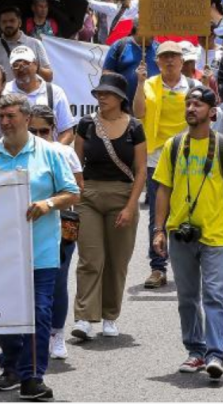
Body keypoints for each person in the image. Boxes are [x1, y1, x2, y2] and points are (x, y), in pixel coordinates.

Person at [0, 94, 80, 401]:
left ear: (27, 119)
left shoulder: (49, 153)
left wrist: (47, 204)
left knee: (39, 311)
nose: (5, 122)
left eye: (11, 117)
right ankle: (11, 367)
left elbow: (72, 193)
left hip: (41, 249)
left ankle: (33, 376)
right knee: (6, 312)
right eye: (1, 117)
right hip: (1, 249)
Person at [152, 86, 223, 380]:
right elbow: (163, 189)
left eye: (197, 104)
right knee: (186, 297)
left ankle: (216, 354)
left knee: (214, 295)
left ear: (211, 111)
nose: (191, 108)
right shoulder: (174, 146)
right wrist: (159, 229)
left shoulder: (222, 146)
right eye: (188, 103)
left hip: (215, 232)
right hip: (180, 233)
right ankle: (195, 351)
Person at [71, 73, 146, 341]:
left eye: (107, 93)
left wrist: (130, 207)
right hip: (89, 196)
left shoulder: (135, 127)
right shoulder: (86, 124)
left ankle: (110, 316)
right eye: (99, 93)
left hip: (123, 196)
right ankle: (83, 316)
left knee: (117, 262)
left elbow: (140, 171)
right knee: (91, 258)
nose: (101, 97)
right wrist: (77, 193)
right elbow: (75, 163)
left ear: (120, 98)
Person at [133, 41, 201, 289]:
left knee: (189, 213)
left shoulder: (194, 87)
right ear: (157, 61)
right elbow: (138, 111)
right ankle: (158, 268)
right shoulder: (148, 85)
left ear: (182, 62)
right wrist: (139, 84)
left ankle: (188, 267)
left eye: (174, 56)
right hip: (155, 160)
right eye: (164, 57)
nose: (170, 61)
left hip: (187, 159)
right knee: (157, 216)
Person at [27, 105, 84, 361]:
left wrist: (53, 203)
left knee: (58, 282)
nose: (39, 135)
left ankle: (57, 332)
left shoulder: (63, 153)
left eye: (44, 130)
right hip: (25, 225)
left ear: (53, 130)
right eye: (32, 130)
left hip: (61, 226)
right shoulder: (19, 152)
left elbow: (77, 190)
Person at [3, 46, 75, 145]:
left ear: (36, 65)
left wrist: (54, 154)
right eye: (16, 65)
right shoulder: (4, 93)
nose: (21, 68)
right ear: (11, 69)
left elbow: (67, 132)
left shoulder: (55, 92)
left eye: (26, 63)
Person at [0, 6, 53, 83]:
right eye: (4, 22)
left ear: (20, 23)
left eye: (12, 21)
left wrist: (34, 67)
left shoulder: (35, 44)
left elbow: (49, 77)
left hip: (28, 94)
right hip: (3, 94)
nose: (8, 24)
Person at [102, 17, 159, 102]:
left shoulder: (159, 49)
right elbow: (106, 73)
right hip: (124, 105)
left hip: (153, 106)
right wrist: (126, 79)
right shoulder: (119, 46)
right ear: (138, 29)